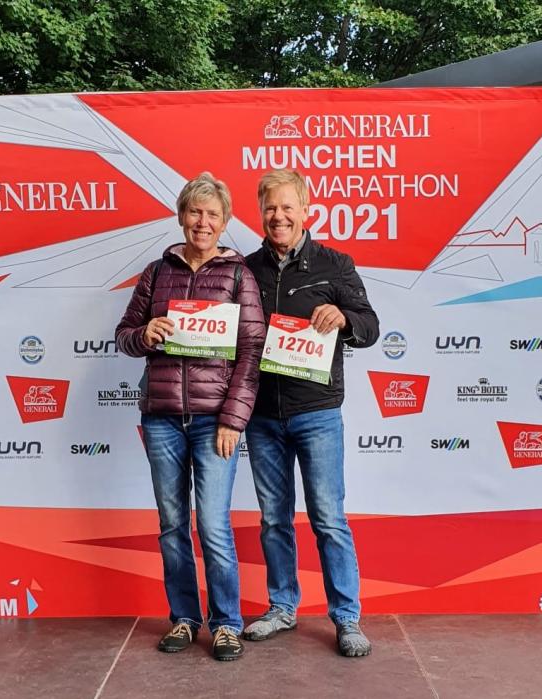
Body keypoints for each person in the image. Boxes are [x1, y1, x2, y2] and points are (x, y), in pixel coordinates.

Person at [115, 172, 266, 661]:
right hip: (161, 419)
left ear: (224, 222)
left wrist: (233, 420)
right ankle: (183, 617)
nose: (203, 222)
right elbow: (124, 335)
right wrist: (145, 334)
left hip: (213, 421)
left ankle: (226, 624)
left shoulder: (239, 275)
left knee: (214, 525)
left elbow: (251, 352)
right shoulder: (156, 272)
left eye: (213, 214)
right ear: (182, 216)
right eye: (196, 212)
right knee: (172, 525)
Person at [243, 169, 380, 657]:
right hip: (261, 416)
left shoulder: (335, 264)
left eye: (287, 207)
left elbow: (370, 325)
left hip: (317, 413)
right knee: (273, 519)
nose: (278, 216)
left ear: (305, 211)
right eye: (270, 208)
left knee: (327, 518)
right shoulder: (246, 269)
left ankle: (346, 618)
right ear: (261, 213)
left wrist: (344, 318)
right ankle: (282, 608)